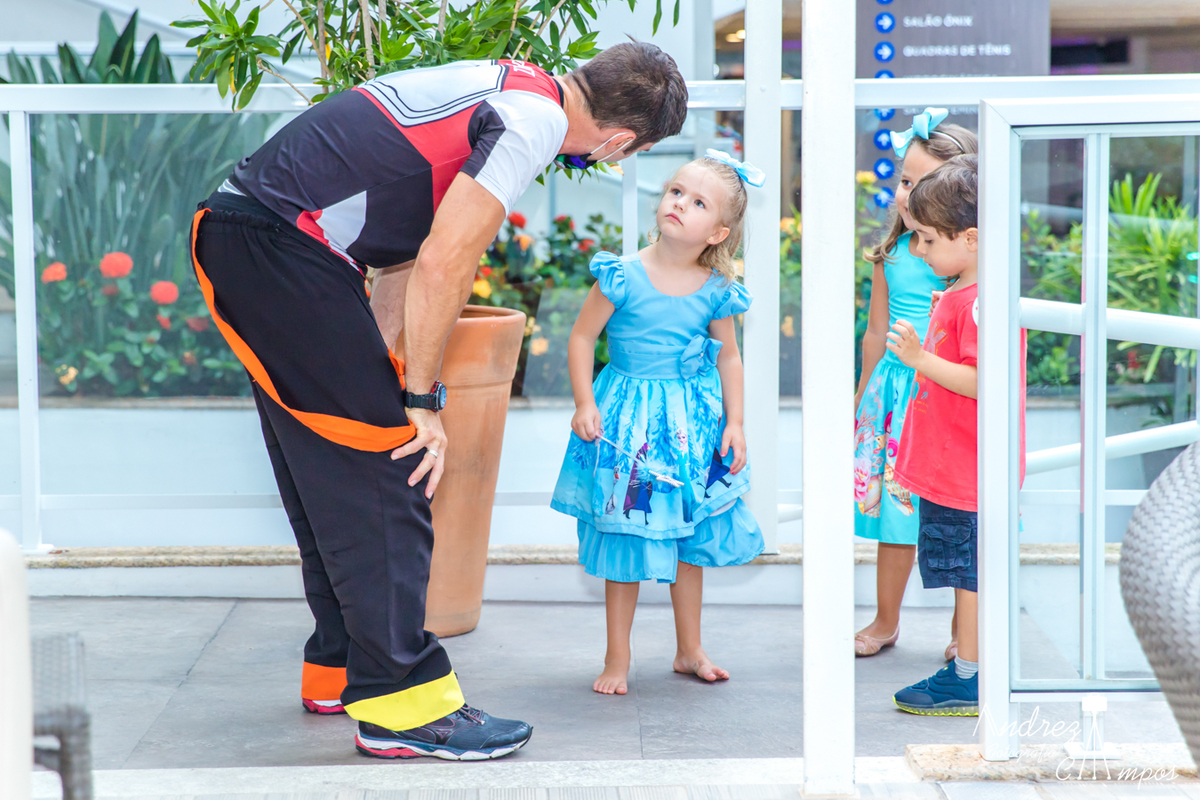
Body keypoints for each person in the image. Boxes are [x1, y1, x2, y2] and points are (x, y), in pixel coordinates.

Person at [188, 46, 688, 759]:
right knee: (396, 468)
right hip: (281, 249)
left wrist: (393, 376)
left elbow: (400, 253)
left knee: (333, 471)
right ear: (619, 144)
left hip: (255, 239)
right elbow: (446, 260)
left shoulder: (506, 82)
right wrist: (420, 403)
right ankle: (402, 705)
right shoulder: (532, 121)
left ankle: (339, 668)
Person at [550, 151, 766, 696]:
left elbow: (729, 358)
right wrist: (583, 402)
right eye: (675, 192)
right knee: (625, 542)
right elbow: (581, 339)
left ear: (716, 232)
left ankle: (689, 649)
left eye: (697, 203)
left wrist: (734, 422)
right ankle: (616, 657)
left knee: (686, 541)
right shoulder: (621, 276)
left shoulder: (718, 291)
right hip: (629, 429)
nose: (679, 204)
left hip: (689, 430)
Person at [886, 154, 1027, 715]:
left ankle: (970, 676)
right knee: (964, 574)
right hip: (958, 473)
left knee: (969, 578)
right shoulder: (963, 294)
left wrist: (919, 358)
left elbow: (984, 381)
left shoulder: (981, 301)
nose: (917, 251)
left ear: (969, 238)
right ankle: (969, 664)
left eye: (925, 239)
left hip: (968, 476)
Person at [852, 109, 978, 659]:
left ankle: (962, 632)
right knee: (891, 518)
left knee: (953, 516)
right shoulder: (892, 254)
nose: (906, 195)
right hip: (895, 395)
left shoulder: (965, 264)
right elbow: (875, 330)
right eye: (904, 180)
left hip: (943, 393)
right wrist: (862, 395)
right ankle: (885, 619)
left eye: (921, 184)